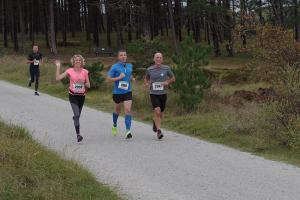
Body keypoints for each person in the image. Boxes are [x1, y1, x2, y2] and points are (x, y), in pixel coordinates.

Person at [55, 55, 90, 142]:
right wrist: (58, 66)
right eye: (76, 60)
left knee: (77, 116)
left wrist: (85, 84)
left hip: (82, 96)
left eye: (79, 60)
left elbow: (88, 84)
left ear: (81, 62)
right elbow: (57, 78)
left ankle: (75, 118)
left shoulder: (85, 72)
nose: (78, 61)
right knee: (77, 115)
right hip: (73, 95)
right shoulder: (69, 71)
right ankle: (78, 135)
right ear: (73, 62)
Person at [144, 52, 175, 139]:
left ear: (162, 59)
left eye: (160, 57)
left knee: (160, 114)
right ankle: (159, 131)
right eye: (157, 57)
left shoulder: (166, 68)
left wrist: (167, 82)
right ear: (154, 59)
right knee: (157, 111)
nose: (158, 59)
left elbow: (173, 78)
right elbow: (146, 78)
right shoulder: (149, 69)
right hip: (153, 93)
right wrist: (147, 84)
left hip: (163, 94)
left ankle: (155, 122)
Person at [107, 50, 134, 139]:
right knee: (117, 111)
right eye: (121, 55)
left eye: (125, 55)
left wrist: (131, 78)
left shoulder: (130, 66)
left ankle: (128, 131)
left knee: (128, 110)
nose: (123, 56)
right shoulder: (114, 67)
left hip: (127, 91)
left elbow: (129, 75)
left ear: (126, 56)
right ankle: (114, 125)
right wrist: (119, 77)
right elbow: (108, 79)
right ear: (118, 57)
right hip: (117, 93)